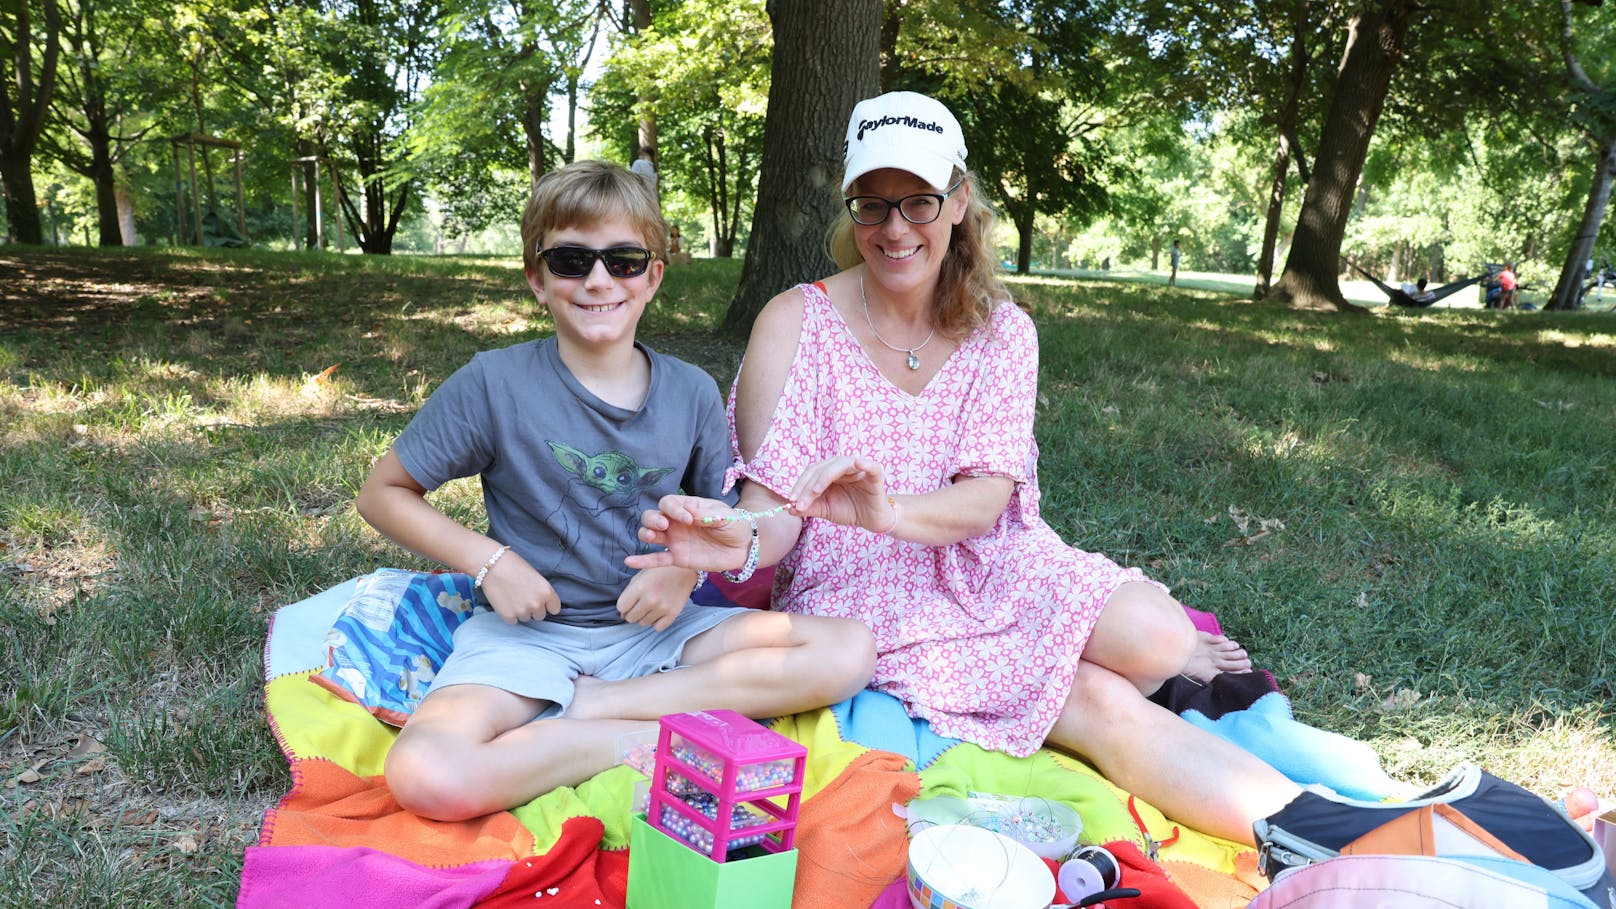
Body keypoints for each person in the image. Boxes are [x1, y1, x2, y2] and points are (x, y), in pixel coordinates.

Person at [628, 91, 1302, 846]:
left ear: (959, 203)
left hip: (987, 556)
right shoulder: (794, 321)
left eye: (918, 202)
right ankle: (1309, 829)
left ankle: (1163, 685)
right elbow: (771, 510)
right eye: (872, 205)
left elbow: (984, 505)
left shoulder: (1002, 330)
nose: (894, 229)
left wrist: (887, 510)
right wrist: (738, 538)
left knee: (1155, 636)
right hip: (860, 584)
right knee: (1093, 700)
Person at [355, 160, 875, 822]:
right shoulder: (493, 383)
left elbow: (715, 522)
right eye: (571, 260)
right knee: (425, 772)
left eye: (624, 259)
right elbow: (383, 492)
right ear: (536, 278)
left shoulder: (689, 391)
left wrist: (684, 575)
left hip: (658, 635)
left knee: (848, 649)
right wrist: (492, 562)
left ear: (653, 275)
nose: (598, 279)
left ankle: (594, 708)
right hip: (531, 637)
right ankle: (648, 741)